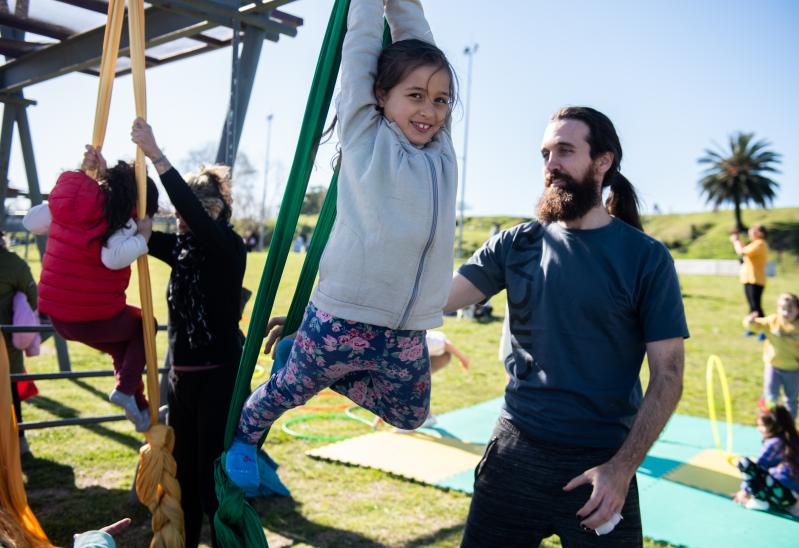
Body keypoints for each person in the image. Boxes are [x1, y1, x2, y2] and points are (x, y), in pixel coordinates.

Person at [225, 0, 459, 490]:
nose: (429, 110)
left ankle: (312, 366)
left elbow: (423, 45)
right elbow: (359, 50)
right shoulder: (364, 134)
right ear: (379, 96)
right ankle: (245, 441)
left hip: (405, 329)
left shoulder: (440, 149)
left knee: (411, 414)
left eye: (440, 100)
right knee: (285, 392)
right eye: (415, 96)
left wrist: (404, 4)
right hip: (343, 316)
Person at [446, 107, 688, 546]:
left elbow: (668, 375)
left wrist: (621, 469)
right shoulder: (515, 244)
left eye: (565, 151)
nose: (550, 164)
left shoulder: (646, 258)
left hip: (602, 470)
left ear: (603, 161)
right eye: (545, 154)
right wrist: (326, 316)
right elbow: (433, 302)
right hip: (514, 456)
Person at [131, 117, 247, 548]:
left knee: (208, 475)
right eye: (177, 215)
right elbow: (141, 226)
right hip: (182, 379)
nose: (179, 220)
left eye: (187, 214)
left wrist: (157, 154)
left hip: (218, 376)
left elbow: (196, 217)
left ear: (214, 213)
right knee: (182, 474)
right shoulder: (181, 249)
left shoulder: (227, 249)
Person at [23, 151, 159, 433]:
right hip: (94, 319)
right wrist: (143, 236)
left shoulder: (69, 208)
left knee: (126, 350)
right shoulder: (120, 218)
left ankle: (140, 409)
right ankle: (125, 390)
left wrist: (79, 184)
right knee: (146, 326)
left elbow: (31, 222)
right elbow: (113, 257)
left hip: (60, 319)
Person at [733, 404, 799, 517]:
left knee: (744, 463)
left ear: (775, 427)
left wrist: (743, 491)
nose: (758, 429)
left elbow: (759, 468)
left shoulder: (775, 443)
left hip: (781, 494)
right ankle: (786, 505)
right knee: (774, 475)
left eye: (761, 426)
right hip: (791, 499)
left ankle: (760, 502)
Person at [744, 293, 799, 418]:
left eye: (790, 309)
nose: (785, 313)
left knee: (791, 400)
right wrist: (749, 321)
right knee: (770, 397)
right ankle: (769, 423)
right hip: (773, 368)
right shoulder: (772, 321)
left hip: (793, 370)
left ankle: (790, 426)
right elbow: (755, 326)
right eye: (782, 309)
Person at [0, 230, 38, 454]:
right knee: (11, 390)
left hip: (6, 342)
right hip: (6, 341)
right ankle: (19, 441)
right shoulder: (15, 264)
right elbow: (32, 298)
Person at [730, 223, 768, 336]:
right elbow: (744, 251)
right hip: (749, 279)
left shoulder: (759, 244)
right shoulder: (755, 244)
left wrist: (735, 241)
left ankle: (764, 330)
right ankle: (752, 328)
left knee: (756, 307)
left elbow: (741, 251)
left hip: (755, 279)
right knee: (752, 306)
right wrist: (738, 241)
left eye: (753, 231)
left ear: (760, 233)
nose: (750, 233)